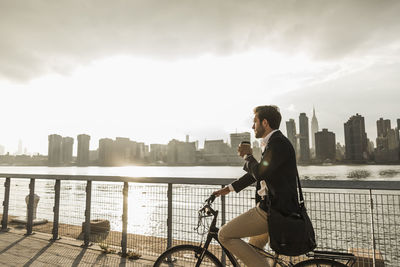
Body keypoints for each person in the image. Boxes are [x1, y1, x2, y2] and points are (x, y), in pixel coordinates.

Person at [212, 105, 300, 267]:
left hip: (273, 212)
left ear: (265, 123)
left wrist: (247, 156)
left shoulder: (278, 144)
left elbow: (259, 172)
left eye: (255, 122)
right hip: (278, 210)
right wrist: (230, 188)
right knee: (254, 249)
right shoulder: (274, 142)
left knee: (224, 235)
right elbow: (260, 172)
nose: (253, 126)